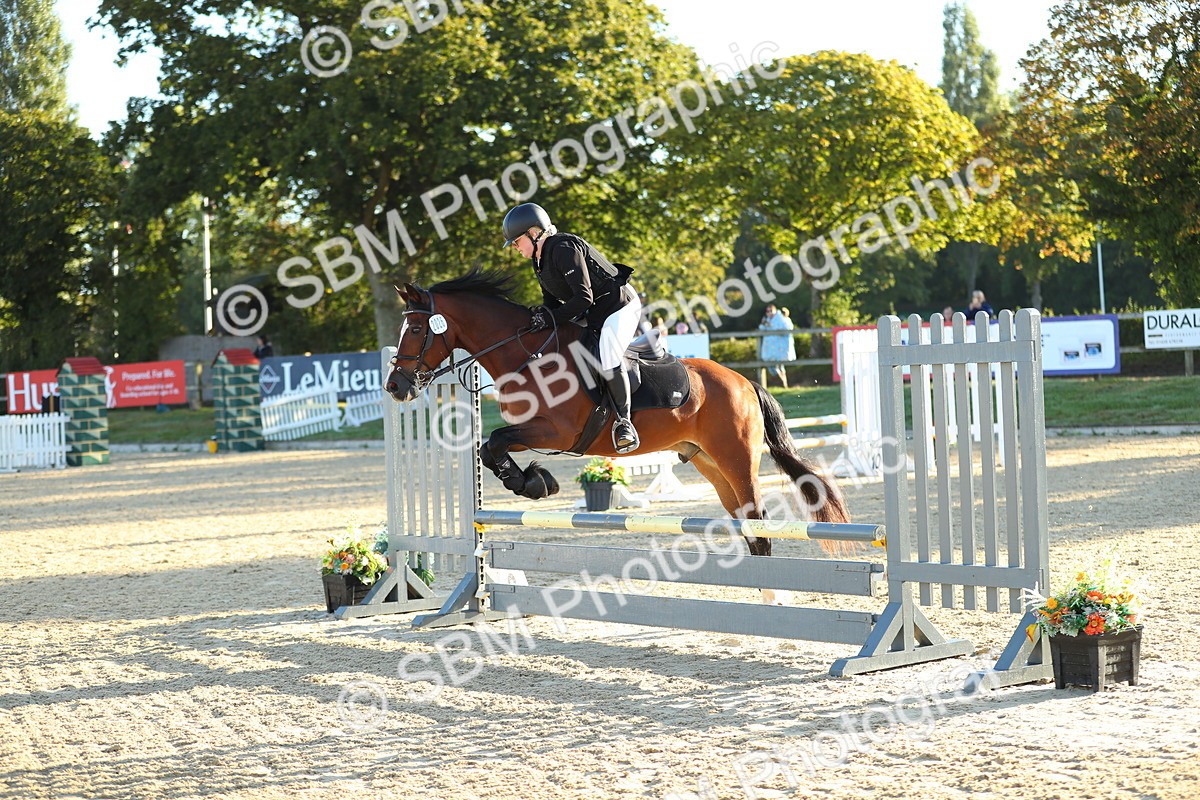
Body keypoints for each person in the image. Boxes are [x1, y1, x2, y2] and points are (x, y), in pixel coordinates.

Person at [502, 202, 641, 453]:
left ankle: (624, 423)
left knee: (607, 354)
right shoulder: (539, 260)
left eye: (516, 241)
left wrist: (550, 318)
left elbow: (583, 298)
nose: (514, 247)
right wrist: (539, 318)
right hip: (594, 311)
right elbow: (551, 302)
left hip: (619, 306)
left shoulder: (564, 248)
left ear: (534, 234)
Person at [758, 304, 794, 388]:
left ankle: (783, 383)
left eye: (771, 311)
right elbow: (762, 329)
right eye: (767, 311)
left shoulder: (780, 318)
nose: (769, 313)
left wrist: (769, 325)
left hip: (779, 348)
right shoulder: (767, 319)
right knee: (772, 366)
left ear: (775, 310)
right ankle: (783, 383)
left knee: (779, 366)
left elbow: (786, 328)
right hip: (770, 349)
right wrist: (764, 324)